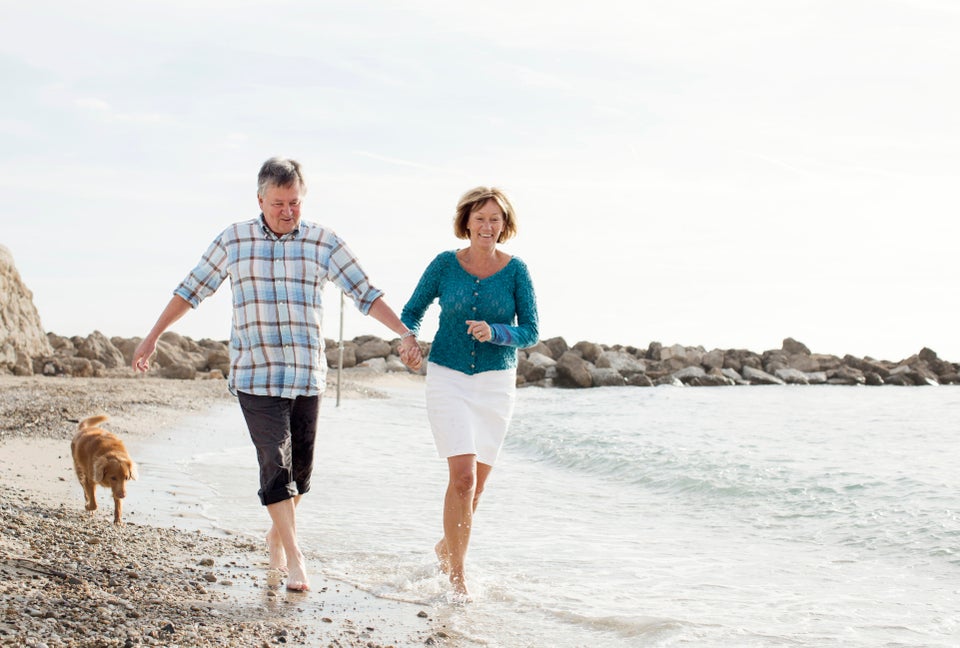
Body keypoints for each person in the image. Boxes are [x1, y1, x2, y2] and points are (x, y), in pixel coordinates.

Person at [132, 157, 422, 593]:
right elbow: (191, 289)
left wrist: (403, 332)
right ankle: (295, 557)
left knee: (301, 474)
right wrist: (153, 335)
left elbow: (365, 292)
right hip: (256, 374)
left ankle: (276, 533)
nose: (288, 211)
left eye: (295, 203)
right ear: (260, 200)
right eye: (278, 203)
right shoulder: (234, 240)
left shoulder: (324, 242)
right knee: (274, 462)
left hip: (307, 375)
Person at [400, 186, 538, 598]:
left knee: (475, 490)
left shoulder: (517, 271)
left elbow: (530, 331)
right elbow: (412, 310)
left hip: (496, 384)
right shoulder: (445, 264)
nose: (487, 226)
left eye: (495, 218)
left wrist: (496, 331)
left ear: (505, 224)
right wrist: (409, 340)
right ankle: (457, 579)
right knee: (462, 478)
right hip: (448, 376)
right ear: (467, 222)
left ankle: (447, 547)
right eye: (480, 218)